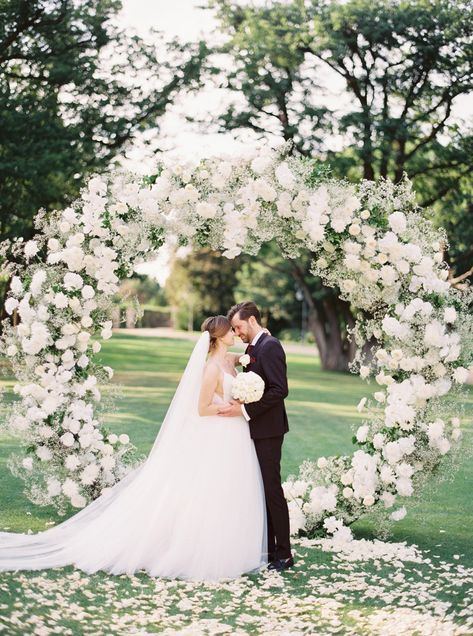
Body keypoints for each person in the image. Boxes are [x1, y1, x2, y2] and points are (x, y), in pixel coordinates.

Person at [0, 317, 267, 582]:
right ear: (219, 337)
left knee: (228, 488)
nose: (234, 333)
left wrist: (253, 350)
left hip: (234, 434)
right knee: (208, 491)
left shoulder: (226, 360)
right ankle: (202, 551)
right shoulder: (210, 369)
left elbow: (237, 359)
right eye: (230, 331)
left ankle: (230, 545)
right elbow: (202, 408)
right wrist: (232, 409)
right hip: (219, 431)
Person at [219, 301, 293, 572]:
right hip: (257, 428)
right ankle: (270, 549)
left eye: (238, 327)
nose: (237, 333)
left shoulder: (270, 345)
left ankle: (284, 554)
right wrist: (239, 360)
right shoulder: (255, 347)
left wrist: (245, 410)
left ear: (251, 320)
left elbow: (279, 390)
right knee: (262, 490)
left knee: (272, 490)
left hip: (270, 430)